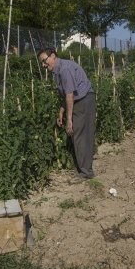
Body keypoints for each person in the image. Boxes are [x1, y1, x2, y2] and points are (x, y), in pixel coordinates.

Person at [37, 48, 96, 179]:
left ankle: (86, 172)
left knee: (79, 134)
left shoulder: (64, 69)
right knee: (81, 134)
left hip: (83, 100)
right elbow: (65, 94)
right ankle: (85, 168)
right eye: (41, 63)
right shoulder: (57, 70)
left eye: (44, 61)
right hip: (81, 99)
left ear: (53, 56)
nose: (43, 65)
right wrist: (61, 112)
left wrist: (69, 119)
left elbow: (69, 95)